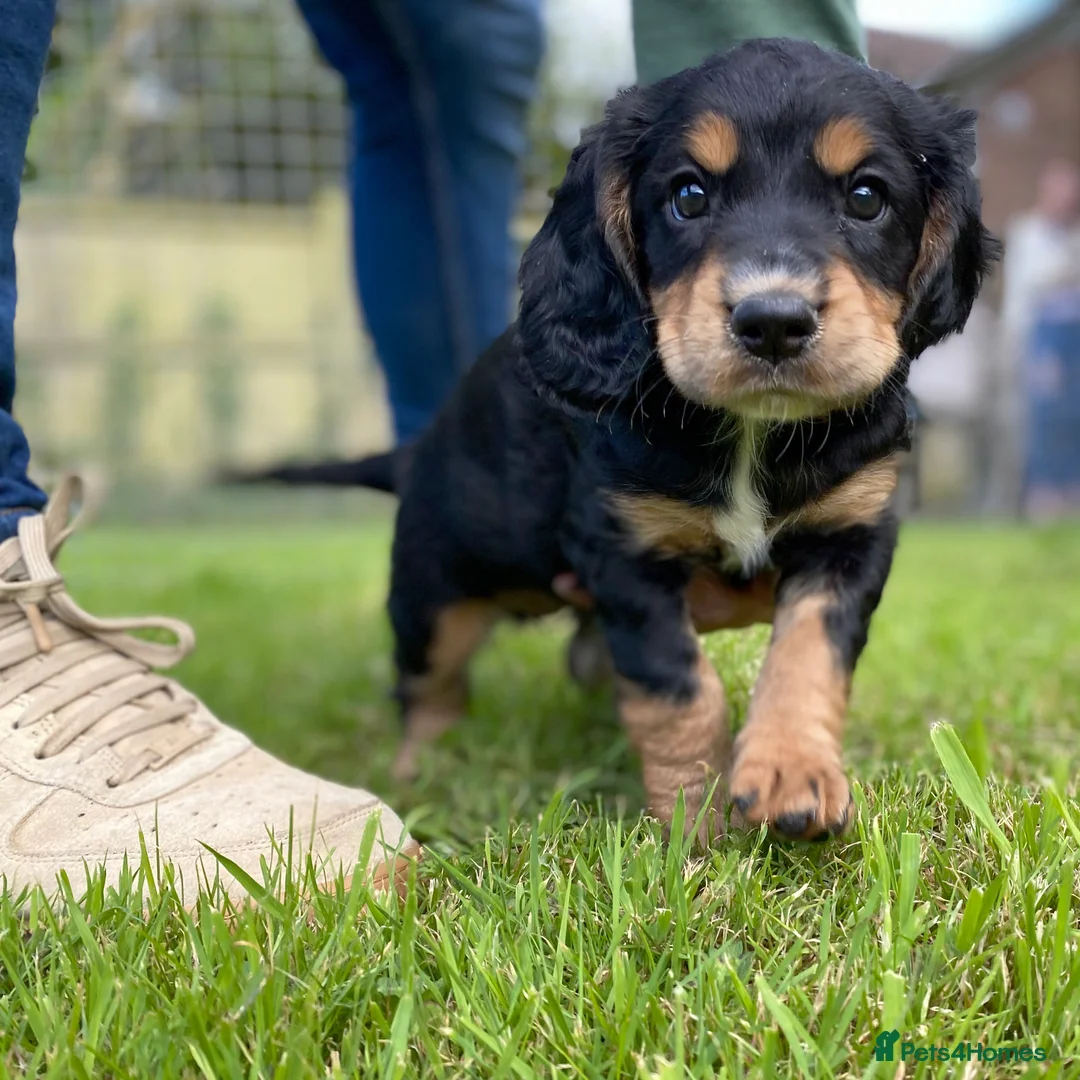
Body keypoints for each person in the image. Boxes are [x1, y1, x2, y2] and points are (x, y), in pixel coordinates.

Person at [0, 0, 863, 901]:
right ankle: (454, 509)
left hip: (646, 461)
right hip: (530, 490)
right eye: (691, 190)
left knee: (470, 38)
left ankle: (561, 565)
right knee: (453, 574)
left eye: (860, 194)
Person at [998, 160, 1080, 517]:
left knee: (1069, 419)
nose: (1068, 200)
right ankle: (1034, 499)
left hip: (1070, 344)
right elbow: (1037, 283)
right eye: (1062, 192)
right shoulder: (1027, 233)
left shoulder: (1073, 237)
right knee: (1036, 423)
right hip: (1032, 343)